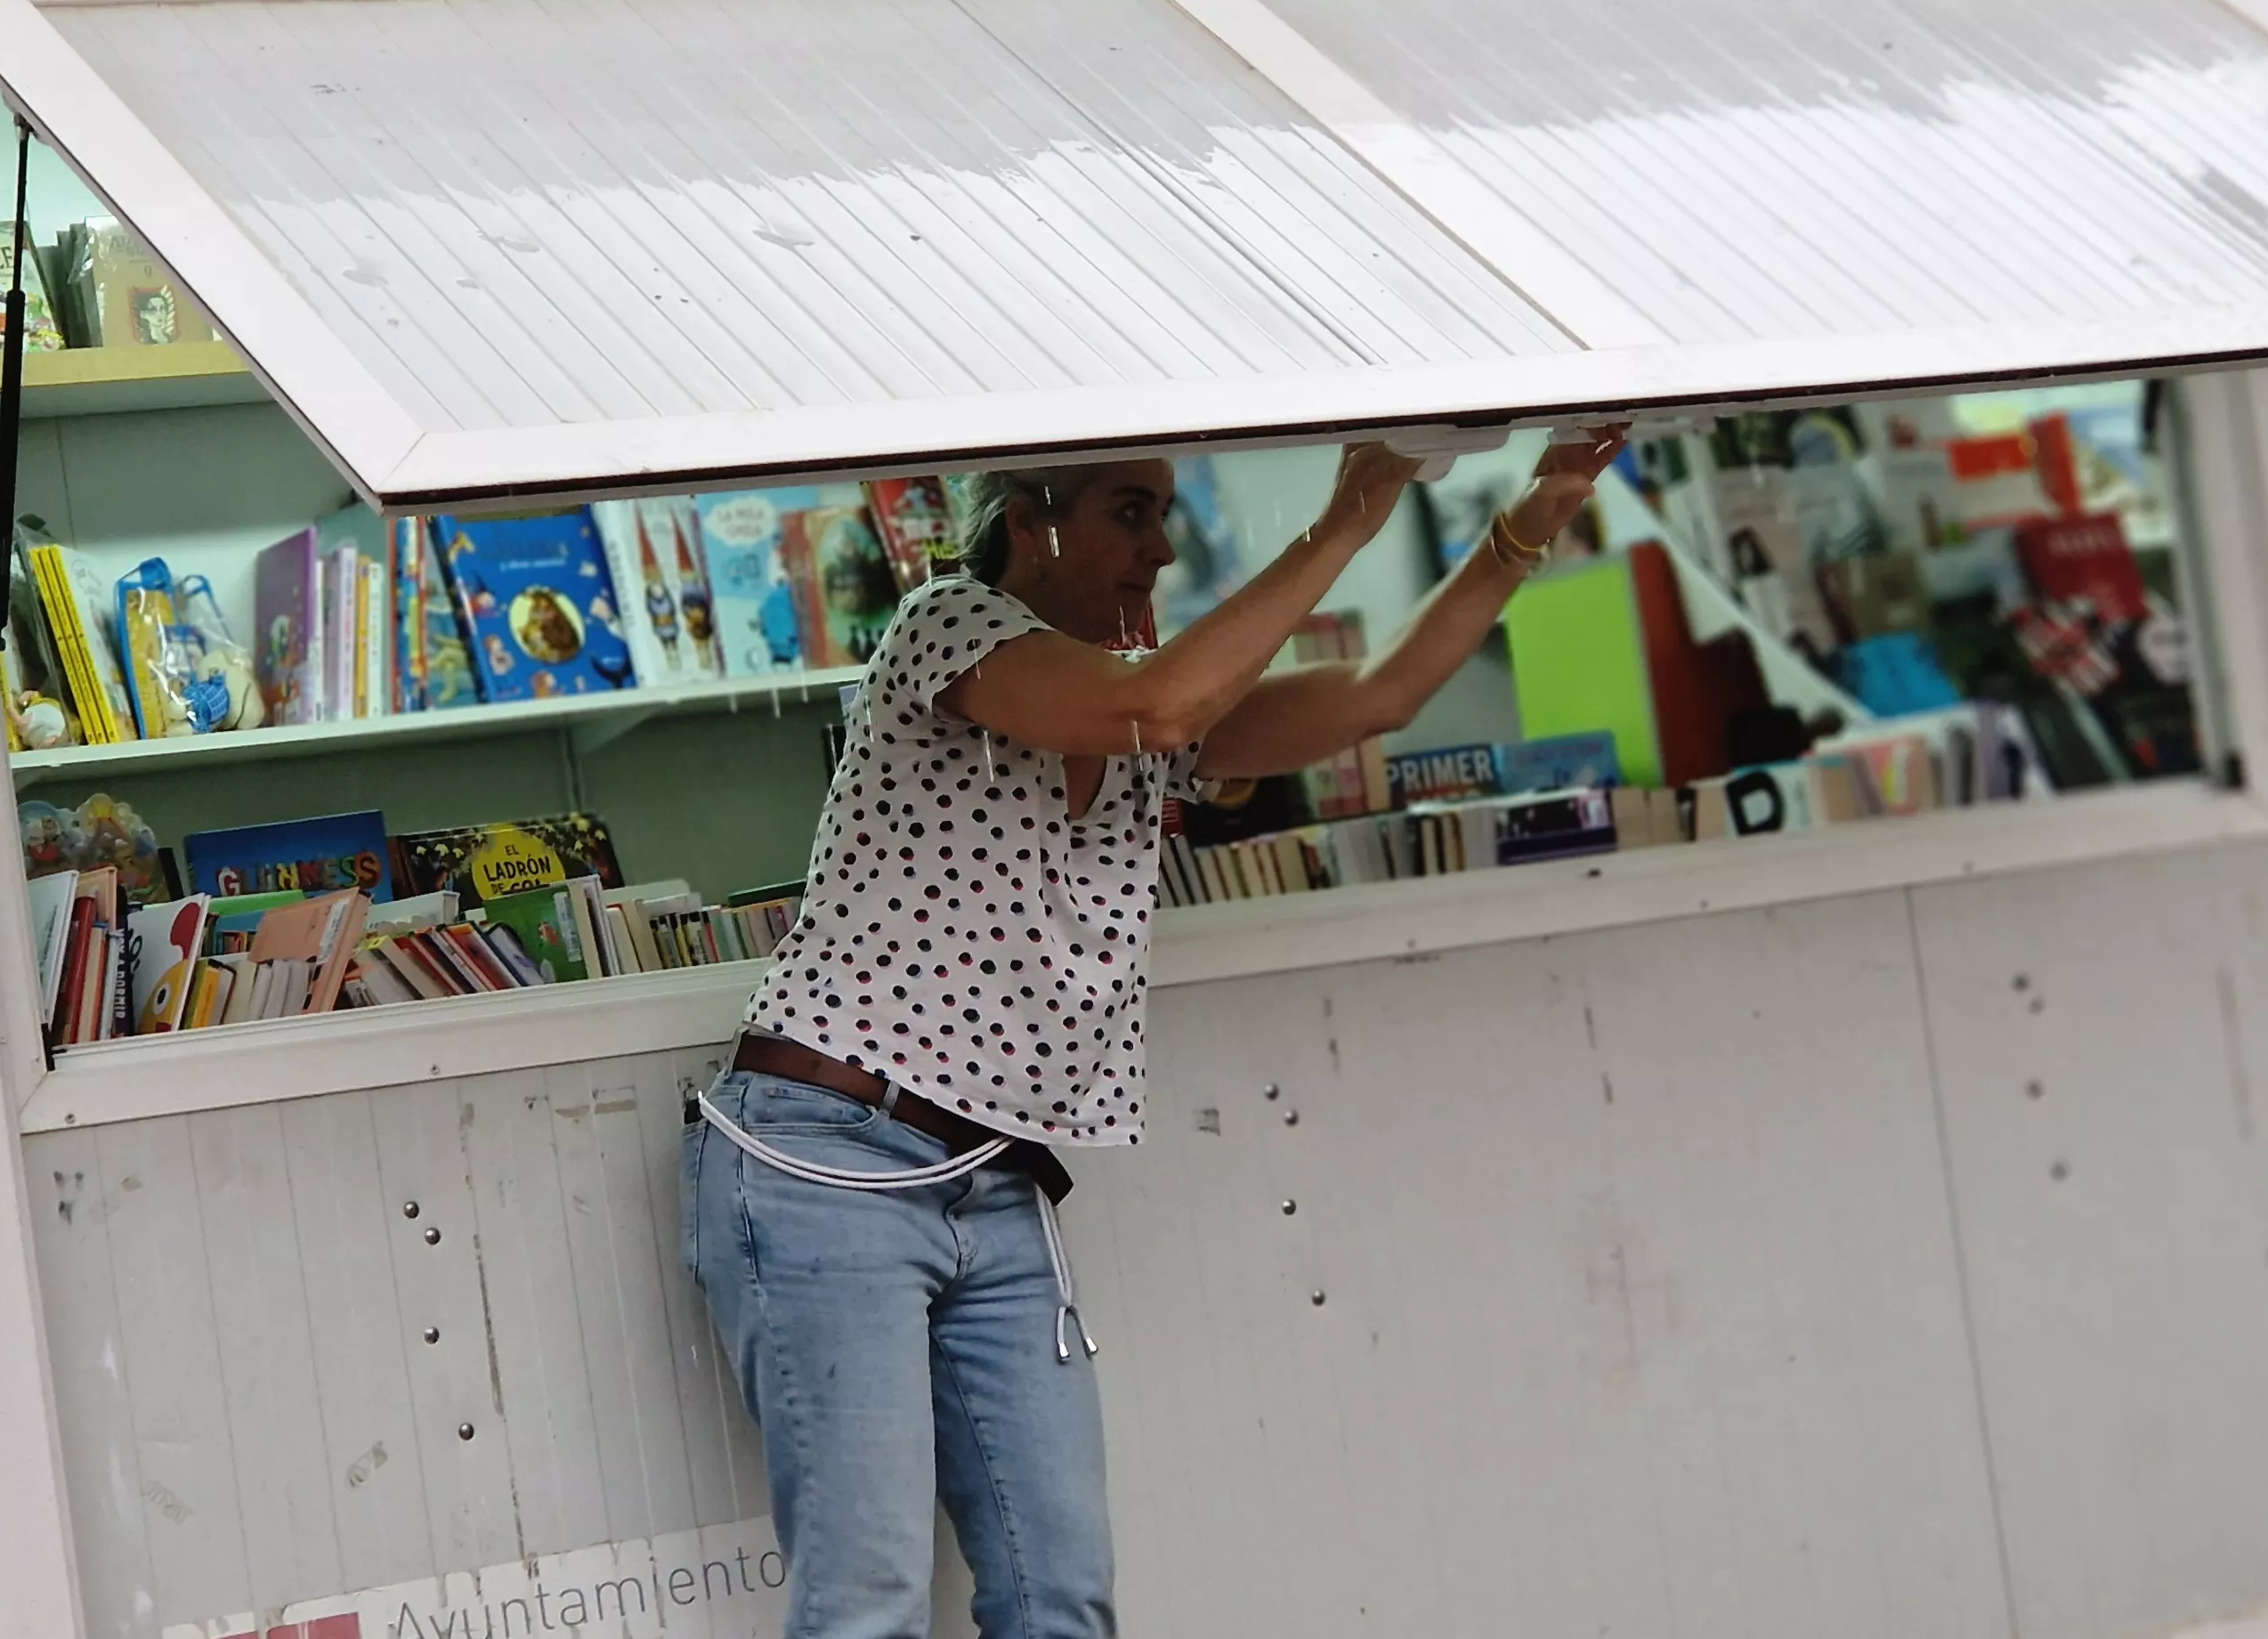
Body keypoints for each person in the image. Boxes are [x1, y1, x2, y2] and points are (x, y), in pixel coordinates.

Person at [682, 427, 1630, 1638]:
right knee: (868, 1608)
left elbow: (1376, 694)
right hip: (828, 1162)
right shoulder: (949, 625)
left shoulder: (1153, 726)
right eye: (1132, 511)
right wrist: (1345, 518)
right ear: (1033, 525)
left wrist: (1523, 531)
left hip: (989, 1178)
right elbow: (1159, 696)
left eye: (1165, 515)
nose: (1163, 548)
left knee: (1058, 1599)